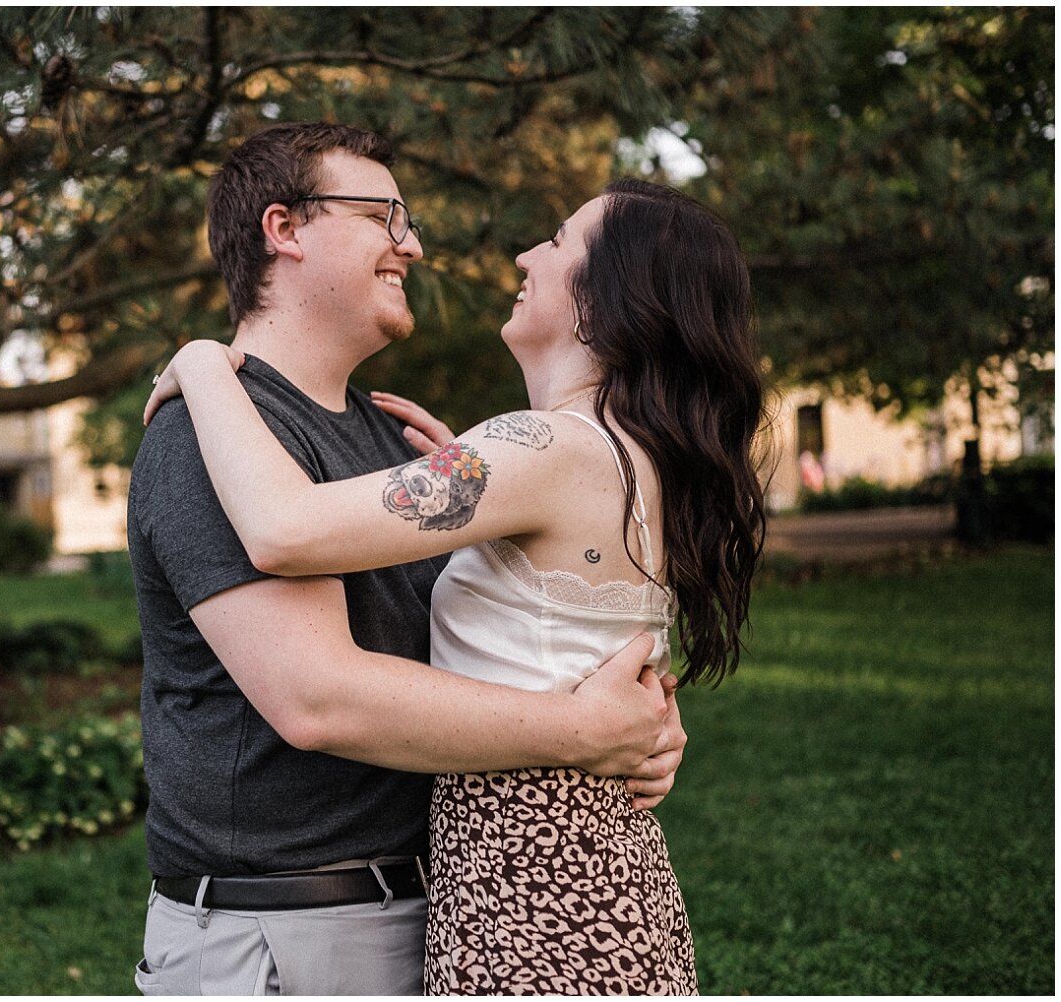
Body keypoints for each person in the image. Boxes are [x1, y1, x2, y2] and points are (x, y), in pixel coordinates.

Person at [144, 177, 766, 993]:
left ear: (606, 297)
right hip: (598, 877)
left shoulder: (540, 449)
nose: (525, 254)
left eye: (556, 241)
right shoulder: (625, 453)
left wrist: (200, 363)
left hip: (533, 897)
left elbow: (284, 529)